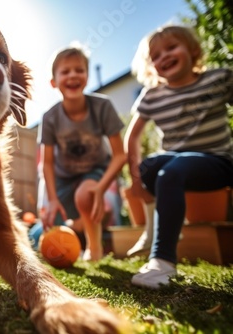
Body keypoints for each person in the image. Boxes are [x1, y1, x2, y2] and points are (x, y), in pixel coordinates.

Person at [125, 25, 233, 289]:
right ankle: (163, 226)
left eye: (172, 48)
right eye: (156, 55)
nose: (164, 57)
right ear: (151, 67)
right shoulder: (152, 96)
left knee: (170, 170)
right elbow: (133, 136)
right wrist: (137, 180)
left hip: (218, 161)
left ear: (193, 50)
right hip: (175, 162)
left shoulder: (219, 79)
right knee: (152, 167)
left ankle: (162, 262)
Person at [29, 45, 127, 261]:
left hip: (94, 169)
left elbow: (120, 155)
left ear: (87, 75)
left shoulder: (102, 106)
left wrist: (100, 189)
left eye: (79, 70)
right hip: (63, 174)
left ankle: (94, 248)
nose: (73, 75)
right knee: (51, 220)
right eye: (65, 71)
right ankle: (80, 226)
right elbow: (46, 163)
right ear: (53, 82)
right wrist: (52, 199)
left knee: (86, 195)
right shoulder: (50, 117)